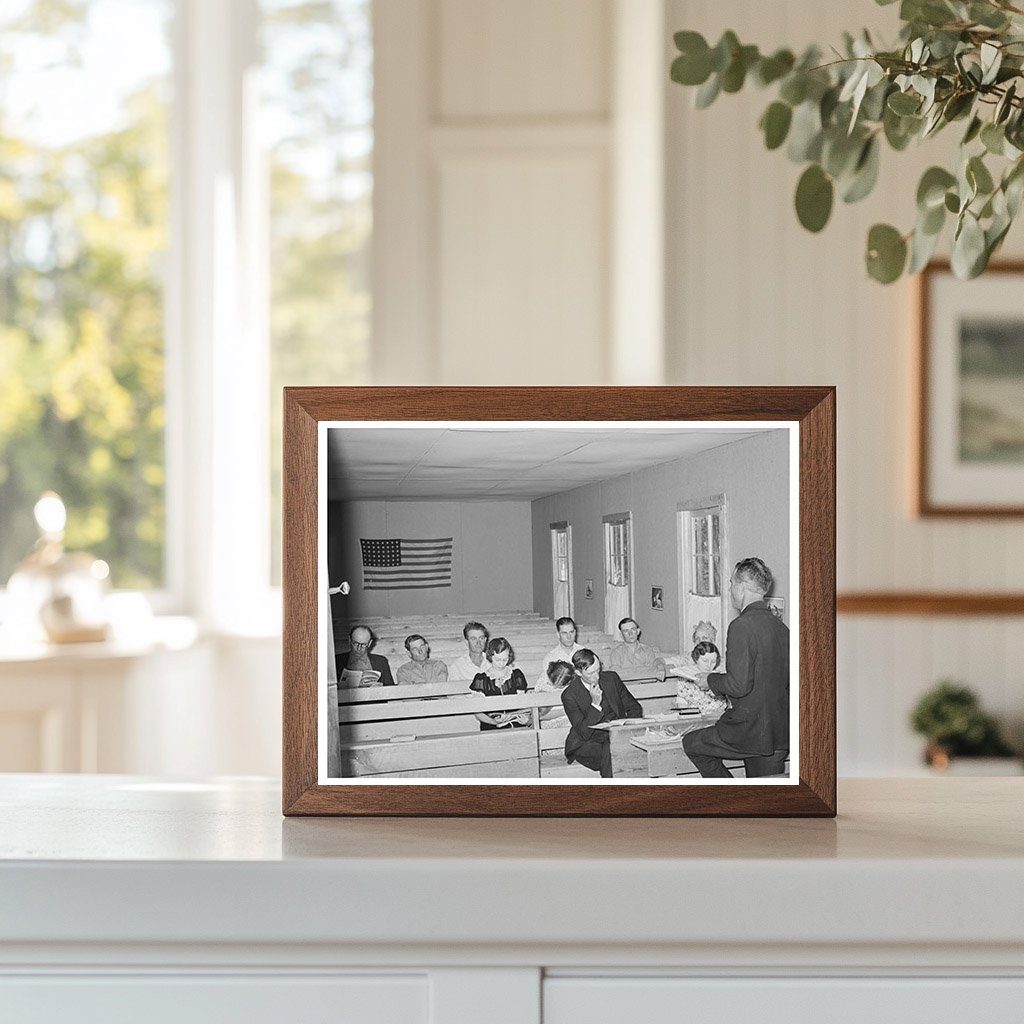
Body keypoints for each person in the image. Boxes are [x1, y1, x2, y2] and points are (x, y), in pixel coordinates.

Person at [682, 557, 789, 779]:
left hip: (748, 731)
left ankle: (728, 794)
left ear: (741, 587)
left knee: (692, 743)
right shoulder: (781, 627)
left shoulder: (741, 625)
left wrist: (709, 680)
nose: (730, 589)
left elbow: (738, 685)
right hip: (779, 732)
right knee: (764, 800)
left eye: (731, 583)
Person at [561, 648, 643, 778]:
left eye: (598, 670)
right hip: (587, 743)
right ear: (578, 672)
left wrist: (627, 729)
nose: (597, 677)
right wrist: (595, 705)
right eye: (591, 673)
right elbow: (583, 732)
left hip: (617, 735)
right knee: (611, 752)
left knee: (614, 750)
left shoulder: (611, 678)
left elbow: (635, 708)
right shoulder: (570, 695)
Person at [469, 637, 530, 730]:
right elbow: (478, 713)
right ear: (490, 656)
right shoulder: (481, 679)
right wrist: (494, 722)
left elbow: (522, 704)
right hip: (491, 725)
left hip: (516, 724)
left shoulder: (516, 675)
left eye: (505, 659)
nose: (501, 663)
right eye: (497, 660)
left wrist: (525, 718)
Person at [607, 617, 667, 681]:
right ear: (621, 635)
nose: (630, 634)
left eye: (633, 629)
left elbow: (652, 669)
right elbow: (616, 675)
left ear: (638, 631)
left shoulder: (647, 650)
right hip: (626, 687)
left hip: (647, 685)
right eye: (626, 631)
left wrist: (660, 667)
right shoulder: (616, 653)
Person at [536, 616, 583, 687]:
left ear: (575, 632)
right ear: (558, 634)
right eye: (564, 633)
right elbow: (541, 685)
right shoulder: (551, 657)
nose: (569, 637)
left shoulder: (583, 653)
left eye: (571, 632)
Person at [535, 659, 574, 727]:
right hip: (545, 716)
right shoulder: (543, 680)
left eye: (560, 686)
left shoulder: (571, 686)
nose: (555, 687)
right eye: (552, 684)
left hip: (563, 716)